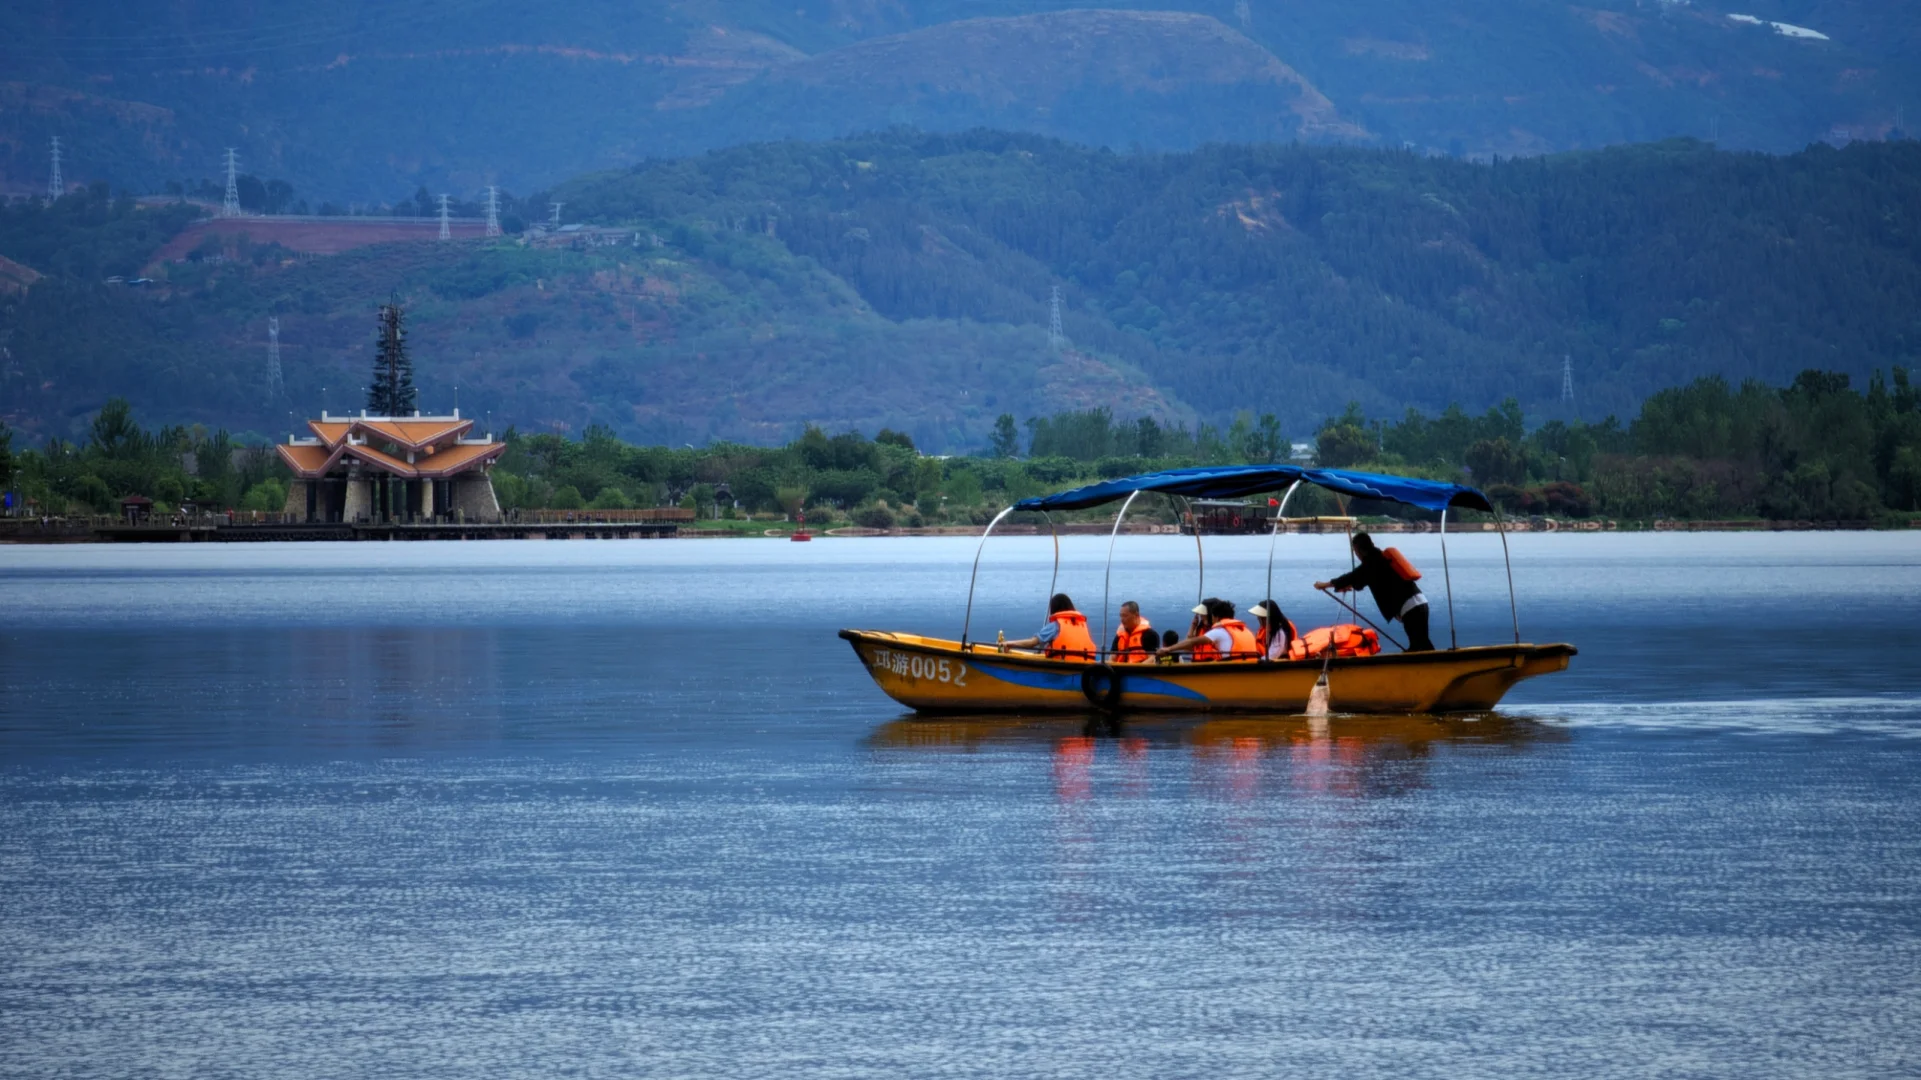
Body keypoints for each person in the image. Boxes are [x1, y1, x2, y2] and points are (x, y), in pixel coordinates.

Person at [1314, 531, 1436, 652]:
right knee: (1423, 642)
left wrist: (1325, 585)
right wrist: (1347, 585)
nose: (1356, 554)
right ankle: (1439, 664)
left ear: (1358, 549)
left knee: (1416, 647)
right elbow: (1360, 580)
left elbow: (1351, 577)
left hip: (1410, 608)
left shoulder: (1371, 562)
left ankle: (1428, 666)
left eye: (1355, 551)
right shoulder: (1380, 557)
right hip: (1419, 601)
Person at [1000, 592, 1097, 661]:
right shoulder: (1083, 624)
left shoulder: (1056, 625)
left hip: (1062, 667)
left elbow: (1032, 642)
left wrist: (1009, 643)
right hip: (1086, 667)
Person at [1157, 597, 1259, 661]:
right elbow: (1192, 647)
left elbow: (1192, 642)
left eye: (1204, 615)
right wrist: (1193, 627)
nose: (1202, 617)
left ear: (1216, 616)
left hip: (1224, 670)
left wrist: (1168, 649)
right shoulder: (1244, 630)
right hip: (1242, 667)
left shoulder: (1220, 632)